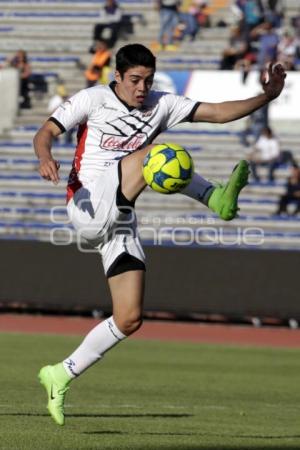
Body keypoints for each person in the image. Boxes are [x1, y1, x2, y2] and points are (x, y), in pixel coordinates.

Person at [33, 43, 285, 426]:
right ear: (116, 77)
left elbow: (216, 113)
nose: (142, 87)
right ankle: (213, 197)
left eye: (148, 80)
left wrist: (265, 96)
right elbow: (45, 132)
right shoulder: (94, 99)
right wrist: (44, 156)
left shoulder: (161, 104)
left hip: (120, 219)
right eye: (134, 79)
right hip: (87, 204)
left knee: (130, 317)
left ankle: (61, 373)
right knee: (156, 154)